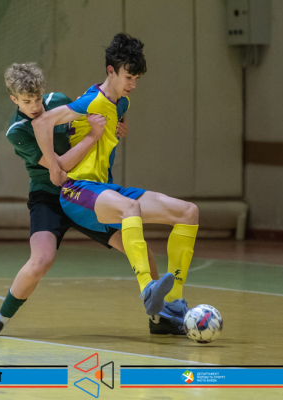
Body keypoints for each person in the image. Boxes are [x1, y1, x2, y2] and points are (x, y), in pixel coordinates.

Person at [0, 62, 158, 337]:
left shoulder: (58, 101)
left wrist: (118, 123)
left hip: (82, 191)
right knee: (41, 259)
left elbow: (100, 108)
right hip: (48, 197)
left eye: (37, 99)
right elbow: (59, 168)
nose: (35, 106)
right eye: (26, 101)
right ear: (13, 99)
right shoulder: (17, 131)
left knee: (140, 249)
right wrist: (93, 136)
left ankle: (160, 317)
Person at [33, 34, 199, 335]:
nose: (132, 84)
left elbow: (117, 115)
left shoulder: (122, 103)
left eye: (136, 78)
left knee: (188, 212)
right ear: (111, 71)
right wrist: (55, 168)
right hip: (77, 191)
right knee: (130, 208)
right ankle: (147, 288)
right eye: (128, 77)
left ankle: (173, 303)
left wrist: (120, 127)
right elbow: (41, 122)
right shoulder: (91, 101)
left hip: (106, 190)